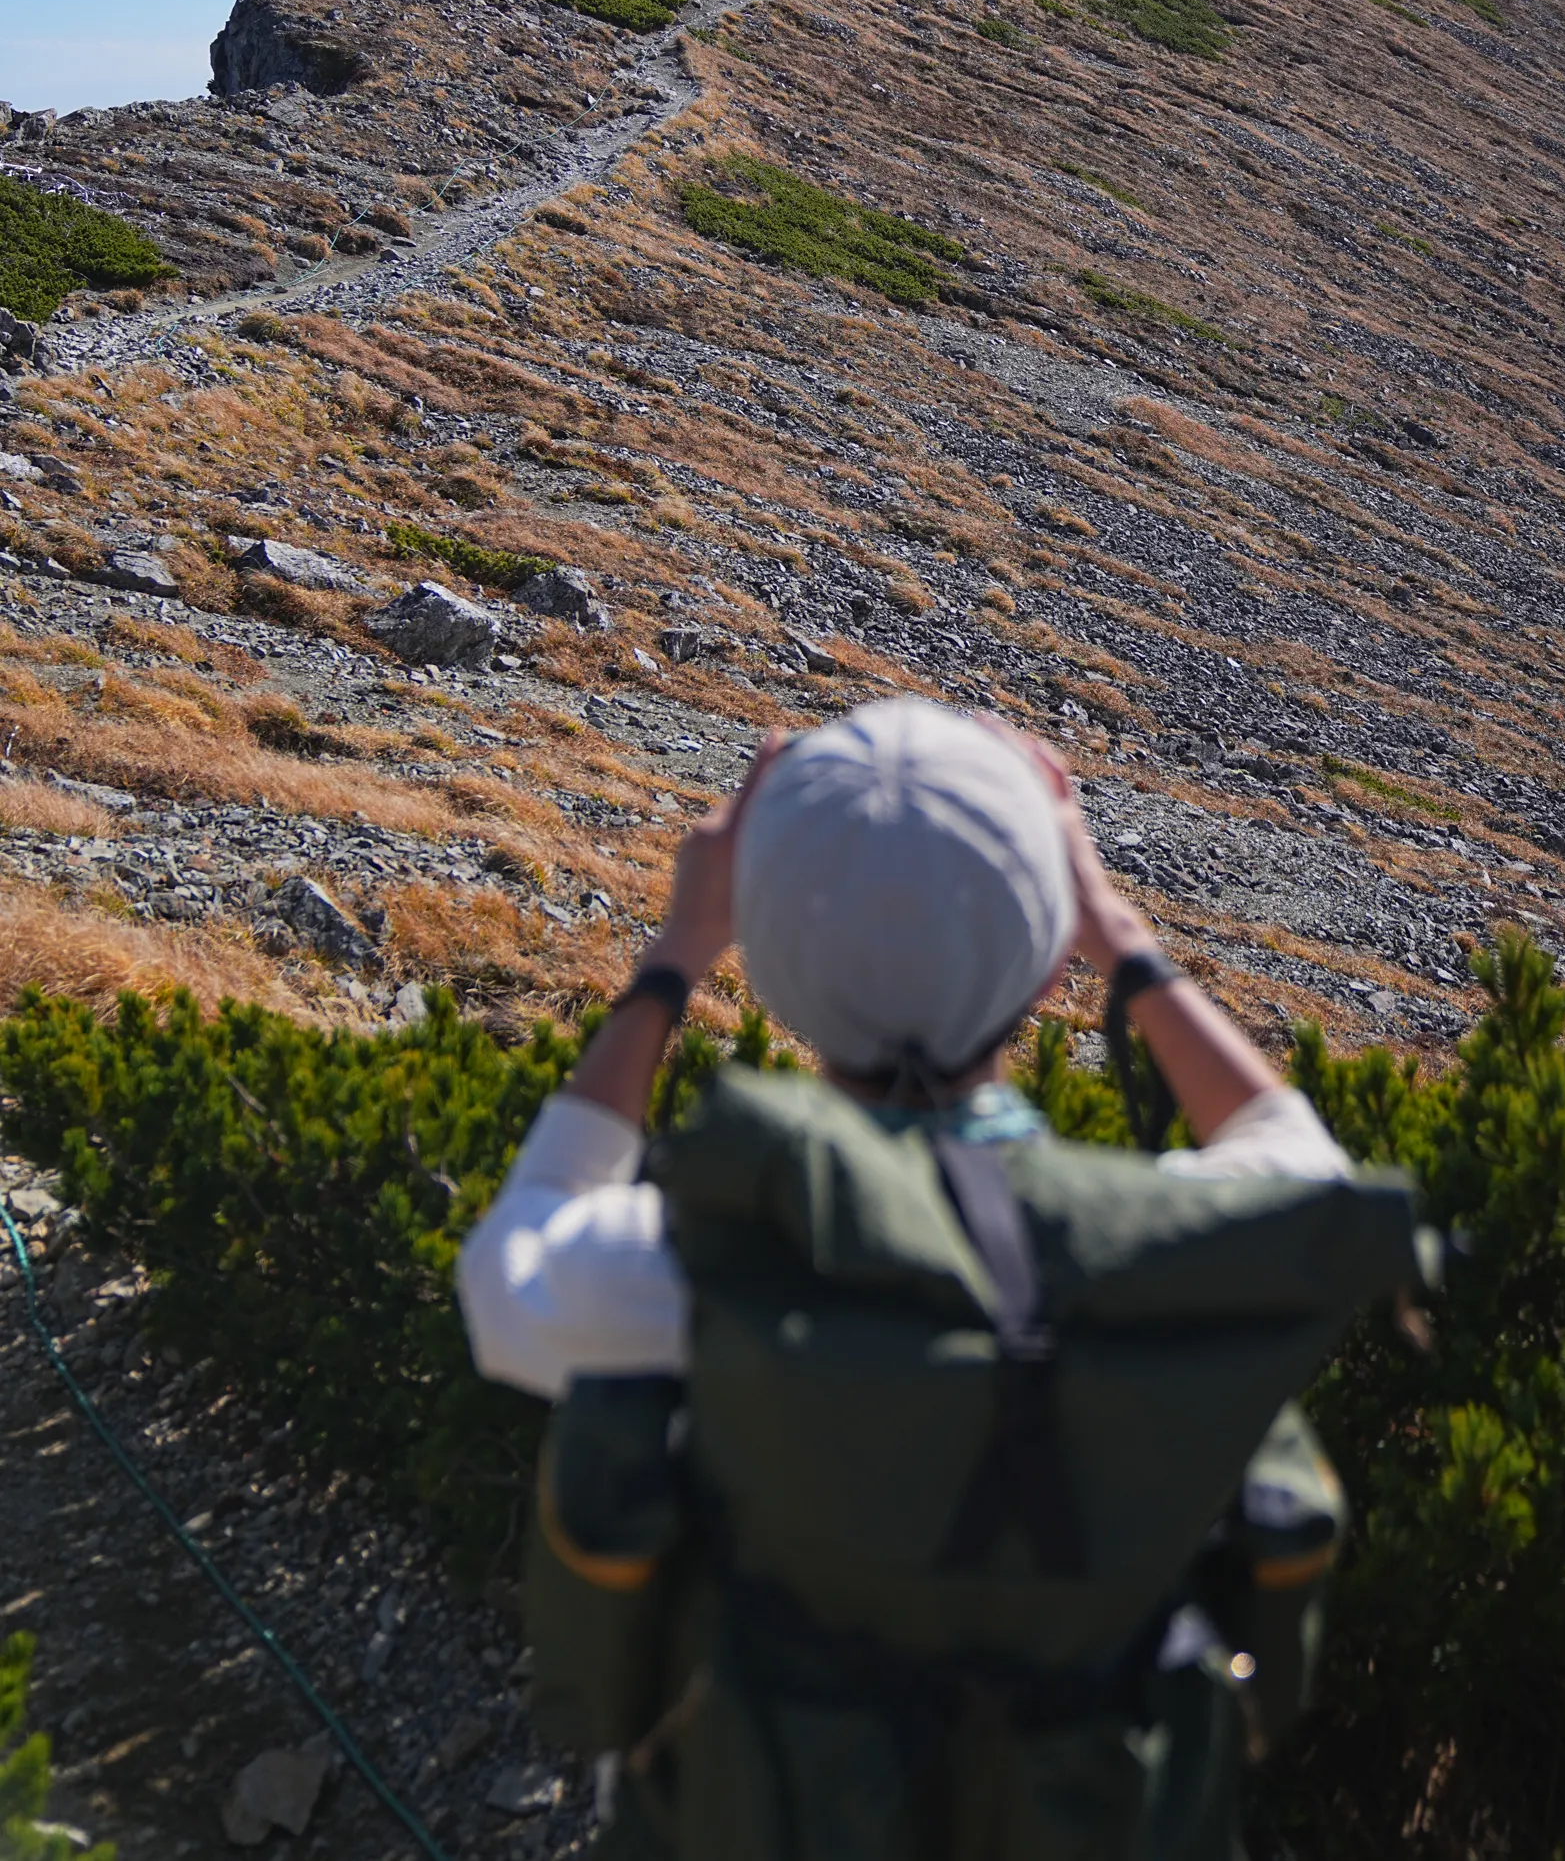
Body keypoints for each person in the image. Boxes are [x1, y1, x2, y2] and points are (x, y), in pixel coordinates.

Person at [457, 700, 1410, 1860]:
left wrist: (673, 956)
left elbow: (514, 1270)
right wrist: (1120, 932)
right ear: (1052, 950)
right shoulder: (1164, 1253)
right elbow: (1305, 1175)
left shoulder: (704, 1268)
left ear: (765, 953)